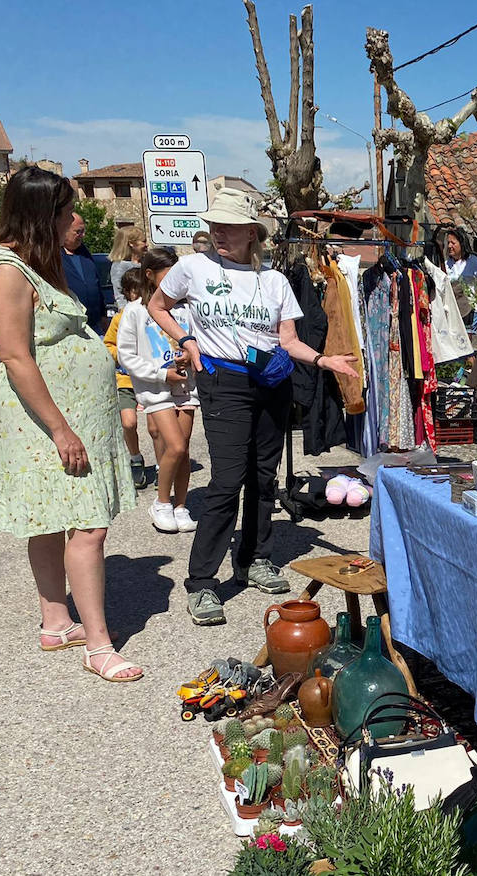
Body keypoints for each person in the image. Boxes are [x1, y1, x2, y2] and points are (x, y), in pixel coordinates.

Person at [147, 188, 358, 626]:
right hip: (224, 381)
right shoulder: (192, 268)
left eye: (230, 227)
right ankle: (202, 582)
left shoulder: (276, 280)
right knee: (227, 480)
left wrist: (323, 360)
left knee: (264, 476)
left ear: (251, 234)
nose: (219, 233)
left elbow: (288, 340)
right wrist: (186, 340)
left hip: (272, 381)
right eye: (215, 226)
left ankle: (254, 558)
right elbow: (157, 305)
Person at [0, 167, 140, 681]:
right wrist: (62, 429)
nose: (74, 218)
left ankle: (56, 622)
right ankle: (99, 644)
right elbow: (16, 357)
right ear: (43, 213)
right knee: (88, 526)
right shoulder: (5, 270)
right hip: (49, 422)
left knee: (48, 519)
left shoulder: (33, 263)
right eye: (65, 209)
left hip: (68, 416)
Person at [117, 257, 198, 533]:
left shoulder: (186, 309)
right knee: (173, 445)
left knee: (183, 449)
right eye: (168, 275)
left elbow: (197, 340)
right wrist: (162, 374)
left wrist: (190, 353)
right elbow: (126, 356)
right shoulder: (135, 311)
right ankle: (162, 502)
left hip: (187, 386)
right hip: (156, 389)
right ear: (150, 275)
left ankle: (181, 505)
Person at [101, 285, 150, 489]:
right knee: (128, 423)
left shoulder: (154, 316)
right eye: (134, 292)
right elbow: (108, 344)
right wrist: (124, 358)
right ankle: (135, 458)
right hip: (126, 379)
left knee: (158, 429)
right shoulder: (120, 318)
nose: (137, 296)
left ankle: (163, 466)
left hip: (151, 378)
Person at [61, 212, 110, 333]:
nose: (83, 235)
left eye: (83, 231)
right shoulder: (54, 256)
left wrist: (103, 315)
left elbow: (97, 285)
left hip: (94, 325)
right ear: (65, 230)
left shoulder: (84, 253)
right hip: (70, 326)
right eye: (78, 232)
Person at [442, 227, 477, 333]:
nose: (449, 246)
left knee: (466, 342)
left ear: (461, 243)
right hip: (454, 310)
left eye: (453, 243)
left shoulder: (471, 261)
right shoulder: (447, 263)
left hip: (470, 310)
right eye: (448, 243)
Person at [108, 225, 148, 310]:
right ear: (131, 243)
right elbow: (119, 294)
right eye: (143, 241)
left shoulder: (146, 262)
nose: (147, 245)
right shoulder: (120, 266)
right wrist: (124, 313)